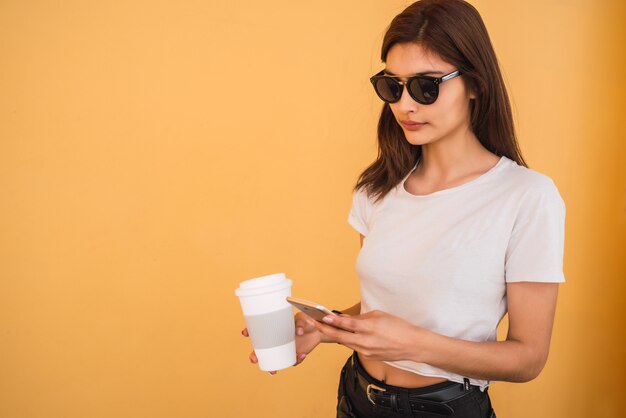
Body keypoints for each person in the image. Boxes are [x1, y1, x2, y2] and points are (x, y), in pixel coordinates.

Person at [242, 0, 566, 416]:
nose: (404, 106)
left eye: (426, 86)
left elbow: (528, 358)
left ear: (474, 83)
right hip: (357, 396)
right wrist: (327, 327)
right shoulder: (377, 188)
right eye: (392, 86)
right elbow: (391, 302)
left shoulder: (526, 197)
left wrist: (413, 344)